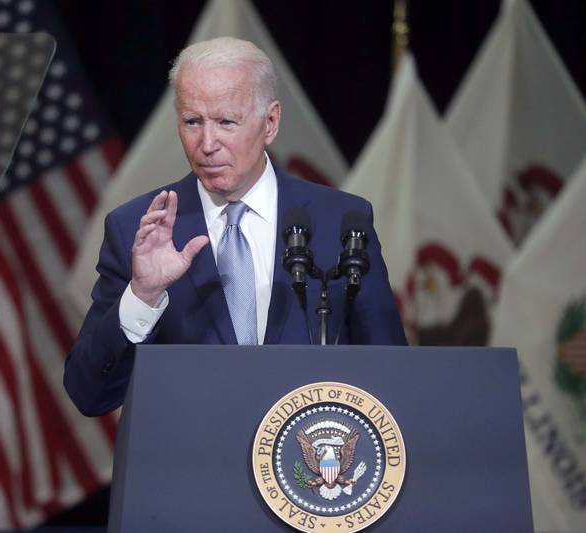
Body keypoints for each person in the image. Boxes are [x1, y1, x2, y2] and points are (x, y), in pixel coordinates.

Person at [64, 37, 406, 417]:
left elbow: (391, 374)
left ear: (270, 122)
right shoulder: (137, 228)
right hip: (192, 469)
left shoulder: (340, 223)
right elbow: (88, 392)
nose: (206, 143)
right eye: (192, 122)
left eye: (226, 122)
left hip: (311, 467)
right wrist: (143, 295)